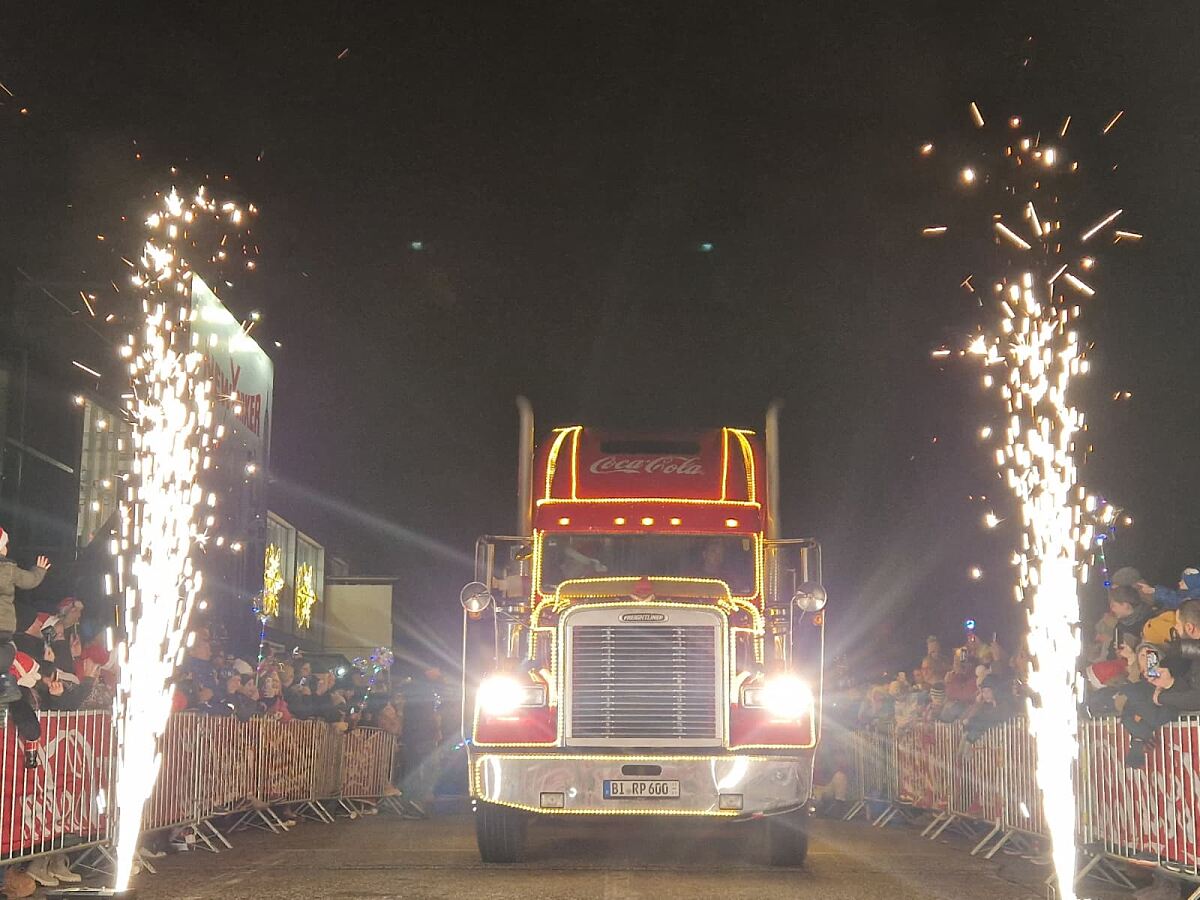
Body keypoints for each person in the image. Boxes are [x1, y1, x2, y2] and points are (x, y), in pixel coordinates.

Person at [0, 526, 50, 703]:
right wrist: (39, 570)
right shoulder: (9, 569)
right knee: (7, 653)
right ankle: (7, 685)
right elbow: (30, 581)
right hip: (4, 625)